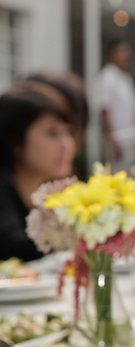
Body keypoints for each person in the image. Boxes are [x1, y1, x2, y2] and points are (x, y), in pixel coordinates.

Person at [0, 81, 76, 262]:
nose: (66, 144)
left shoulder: (43, 193)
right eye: (52, 133)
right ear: (16, 143)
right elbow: (15, 251)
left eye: (68, 132)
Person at [97, 42, 135, 173]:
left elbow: (134, 109)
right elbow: (104, 110)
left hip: (131, 140)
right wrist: (113, 141)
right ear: (112, 54)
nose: (125, 56)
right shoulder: (107, 77)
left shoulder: (126, 77)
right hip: (118, 142)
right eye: (121, 52)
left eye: (127, 53)